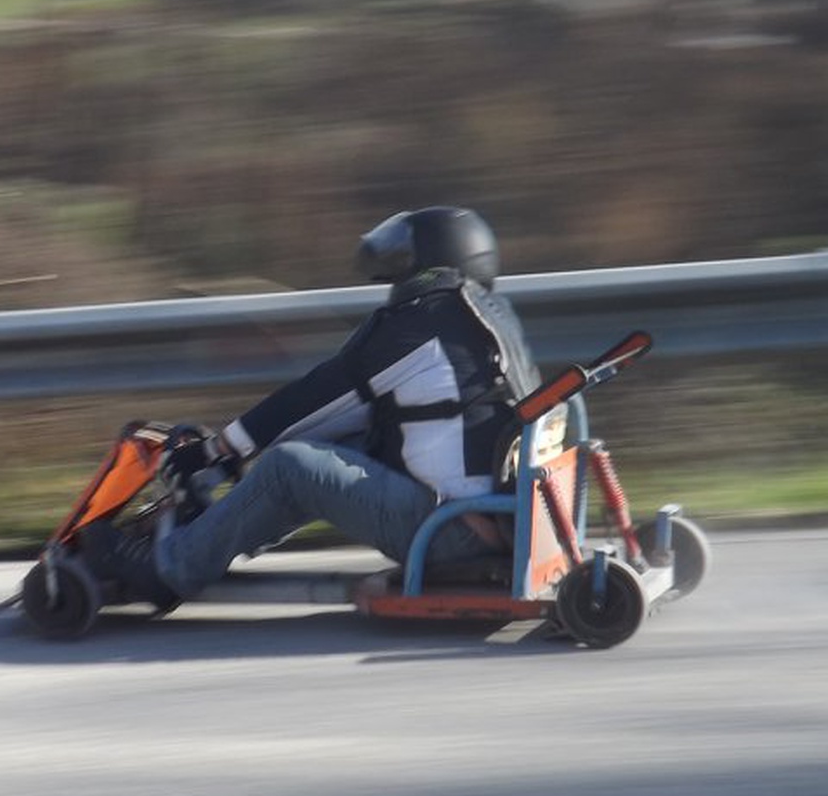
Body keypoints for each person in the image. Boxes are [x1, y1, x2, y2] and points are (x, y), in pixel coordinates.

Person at [81, 206, 542, 604]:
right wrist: (230, 457)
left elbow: (317, 397)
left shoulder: (419, 327)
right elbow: (343, 415)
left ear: (433, 259)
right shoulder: (482, 322)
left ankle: (169, 569)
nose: (396, 263)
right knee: (336, 444)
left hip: (452, 533)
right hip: (490, 518)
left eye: (407, 252)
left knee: (292, 467)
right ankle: (216, 534)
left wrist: (217, 451)